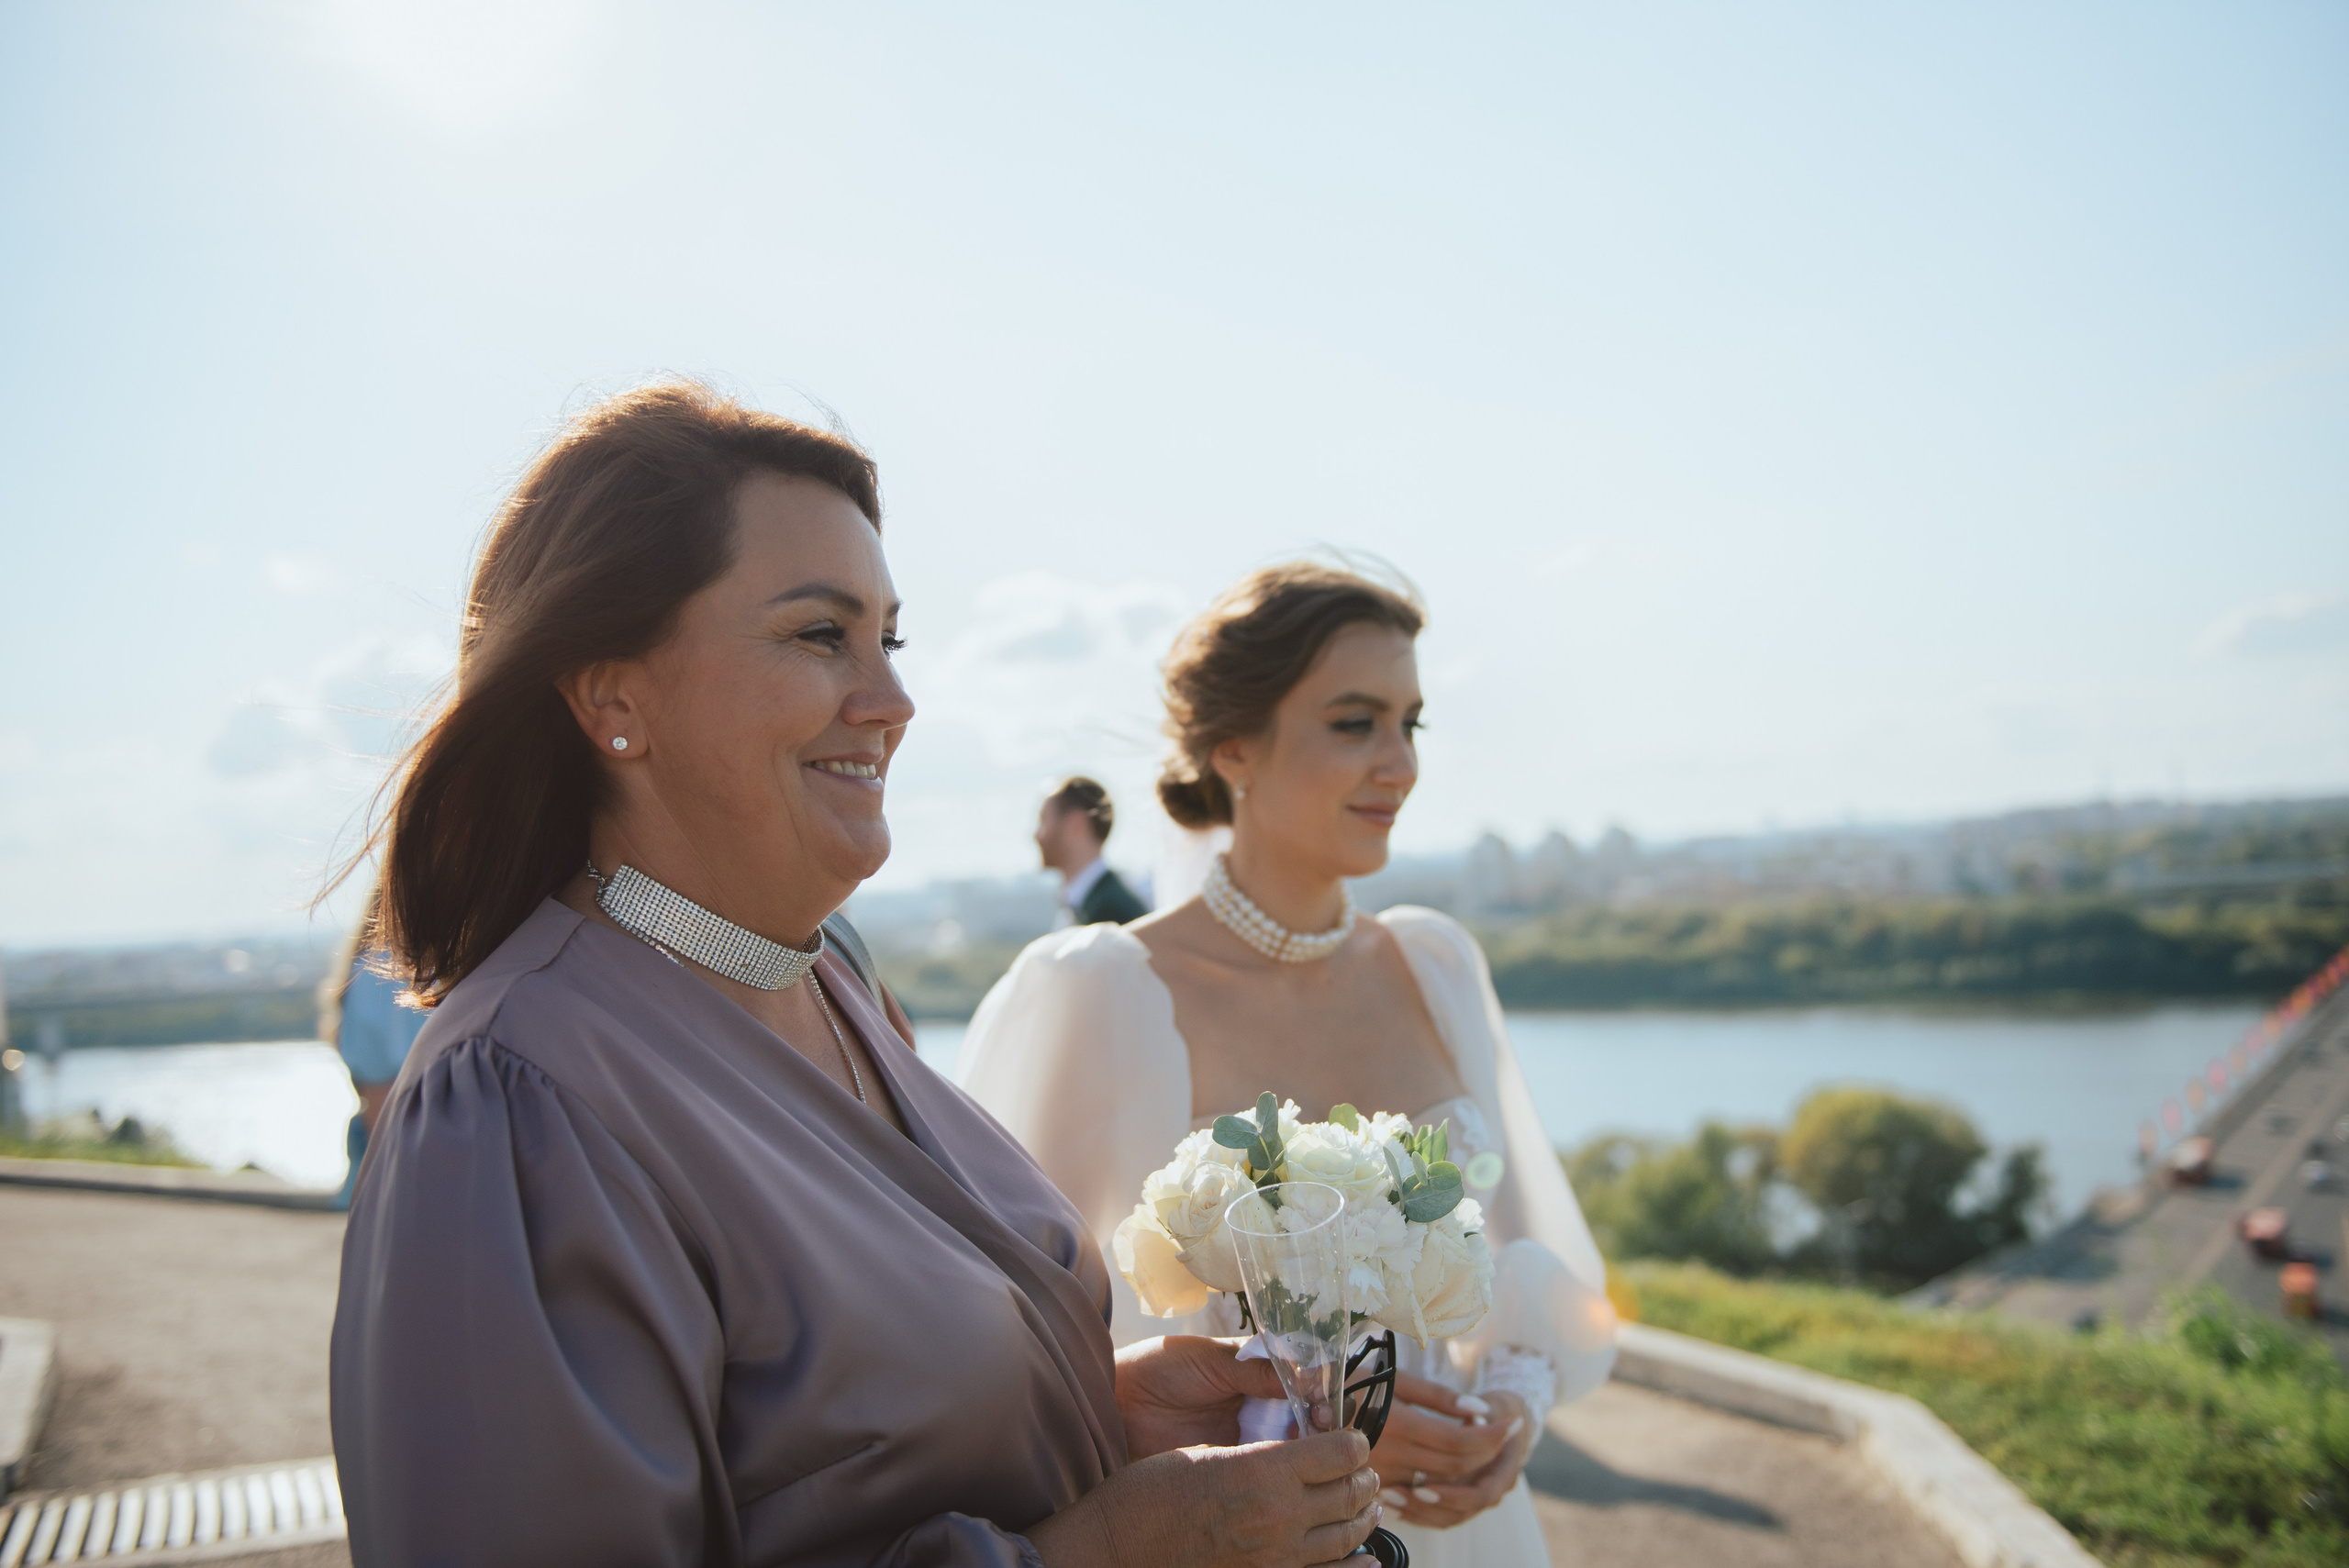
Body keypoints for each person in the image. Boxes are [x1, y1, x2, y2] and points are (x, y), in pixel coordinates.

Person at [328, 384, 1383, 1568]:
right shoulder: (517, 1099)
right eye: (820, 634)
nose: (891, 701)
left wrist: (1105, 1415)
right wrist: (1097, 1554)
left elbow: (834, 1456)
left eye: (889, 637)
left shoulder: (827, 983)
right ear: (614, 694)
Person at [962, 562, 1618, 1568]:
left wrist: (1511, 1410)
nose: (1397, 763)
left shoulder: (1435, 961)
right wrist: (1297, 1426)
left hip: (1469, 1535)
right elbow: (1001, 1351)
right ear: (1233, 746)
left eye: (1412, 723)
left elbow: (1526, 1256)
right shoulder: (1095, 990)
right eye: (1354, 723)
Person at [321, 881, 427, 1210]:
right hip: (404, 1163)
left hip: (398, 1157)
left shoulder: (374, 969)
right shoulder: (385, 973)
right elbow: (380, 1085)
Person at [1036, 777, 1150, 927]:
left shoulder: (1110, 913)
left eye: (1044, 820)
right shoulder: (1086, 903)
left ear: (1076, 824)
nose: (1037, 834)